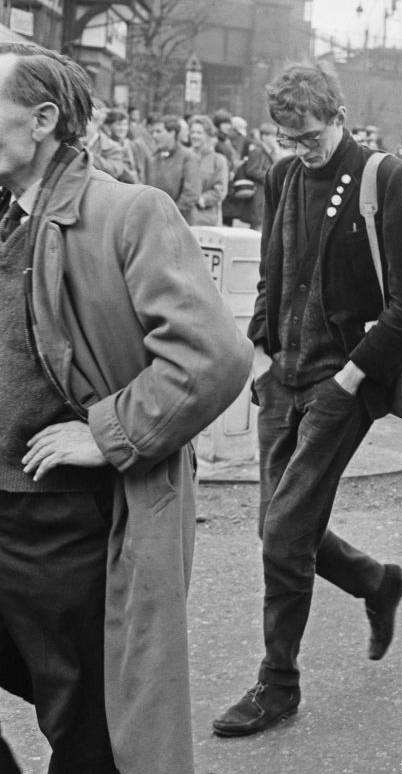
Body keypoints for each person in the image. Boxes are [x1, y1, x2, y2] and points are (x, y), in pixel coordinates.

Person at [0, 42, 251, 774]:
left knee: (91, 736)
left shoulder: (128, 212)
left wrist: (107, 433)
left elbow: (213, 355)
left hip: (66, 528)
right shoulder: (6, 214)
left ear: (42, 120)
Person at [212, 62, 402, 737]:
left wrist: (351, 378)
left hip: (344, 383)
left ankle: (277, 683)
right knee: (276, 528)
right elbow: (274, 269)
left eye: (308, 136)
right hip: (284, 373)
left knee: (284, 533)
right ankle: (376, 581)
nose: (298, 148)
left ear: (336, 117)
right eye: (287, 137)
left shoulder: (385, 178)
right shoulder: (283, 175)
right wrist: (260, 349)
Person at [143, 114, 201, 224]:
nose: (154, 136)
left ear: (172, 133)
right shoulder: (153, 159)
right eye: (153, 132)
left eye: (159, 132)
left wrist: (168, 215)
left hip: (182, 222)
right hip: (155, 222)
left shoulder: (188, 157)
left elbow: (191, 194)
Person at [188, 114, 229, 227]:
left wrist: (201, 199)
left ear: (208, 136)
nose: (194, 136)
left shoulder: (218, 160)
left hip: (205, 219)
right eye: (192, 132)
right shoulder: (184, 156)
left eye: (199, 133)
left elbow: (220, 191)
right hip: (181, 217)